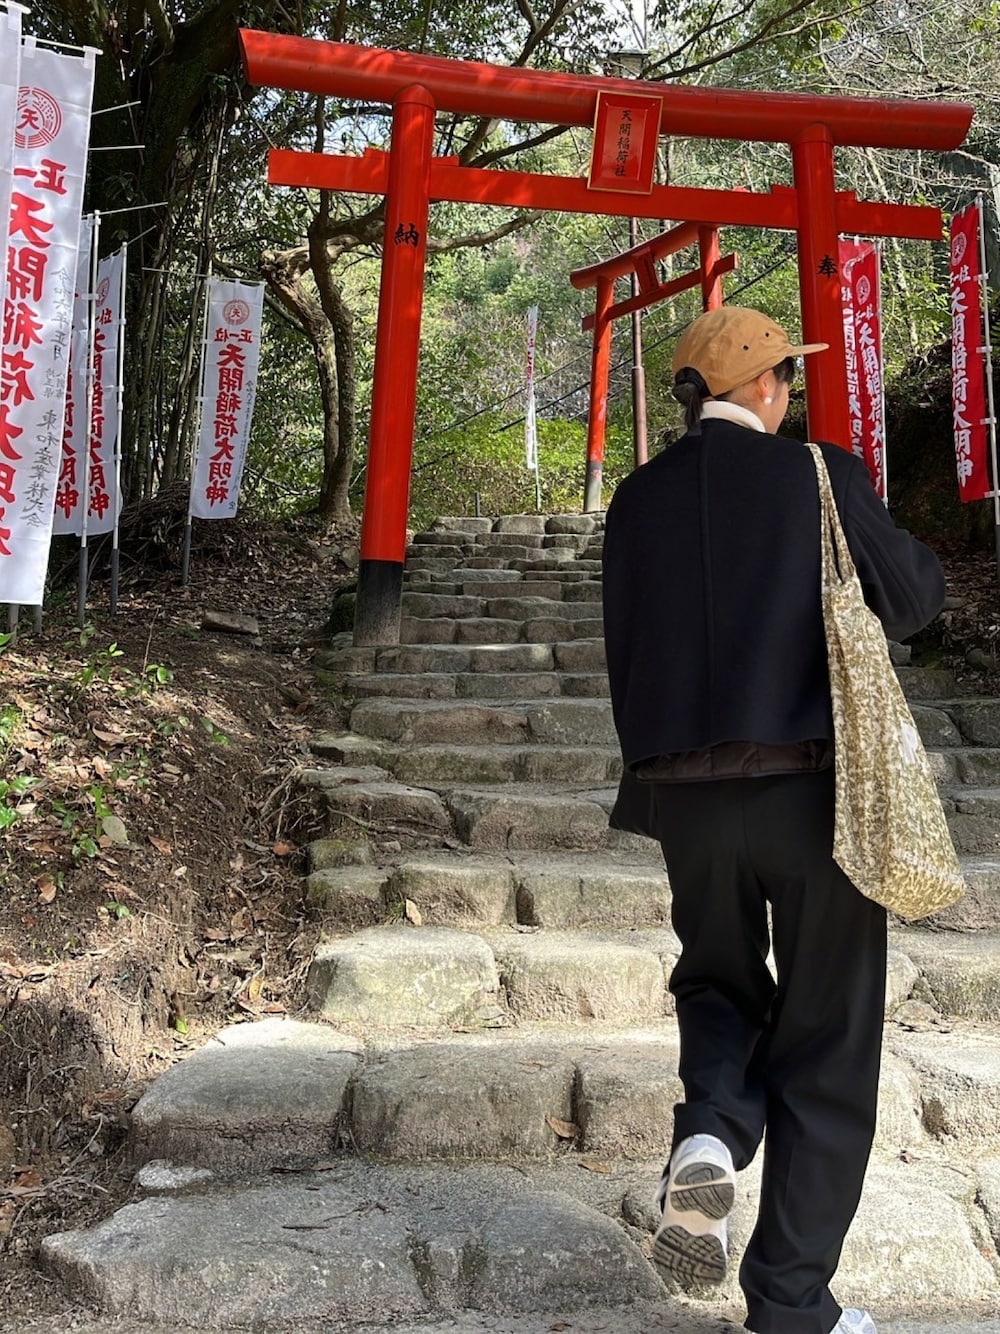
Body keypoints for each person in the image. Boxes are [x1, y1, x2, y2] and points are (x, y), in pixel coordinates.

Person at [601, 306, 946, 1334]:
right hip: (813, 797)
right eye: (785, 375)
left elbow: (624, 650)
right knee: (828, 1034)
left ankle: (709, 1129)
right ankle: (791, 1301)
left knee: (715, 981)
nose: (788, 390)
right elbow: (912, 599)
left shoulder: (636, 499)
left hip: (685, 800)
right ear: (761, 386)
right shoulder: (817, 474)